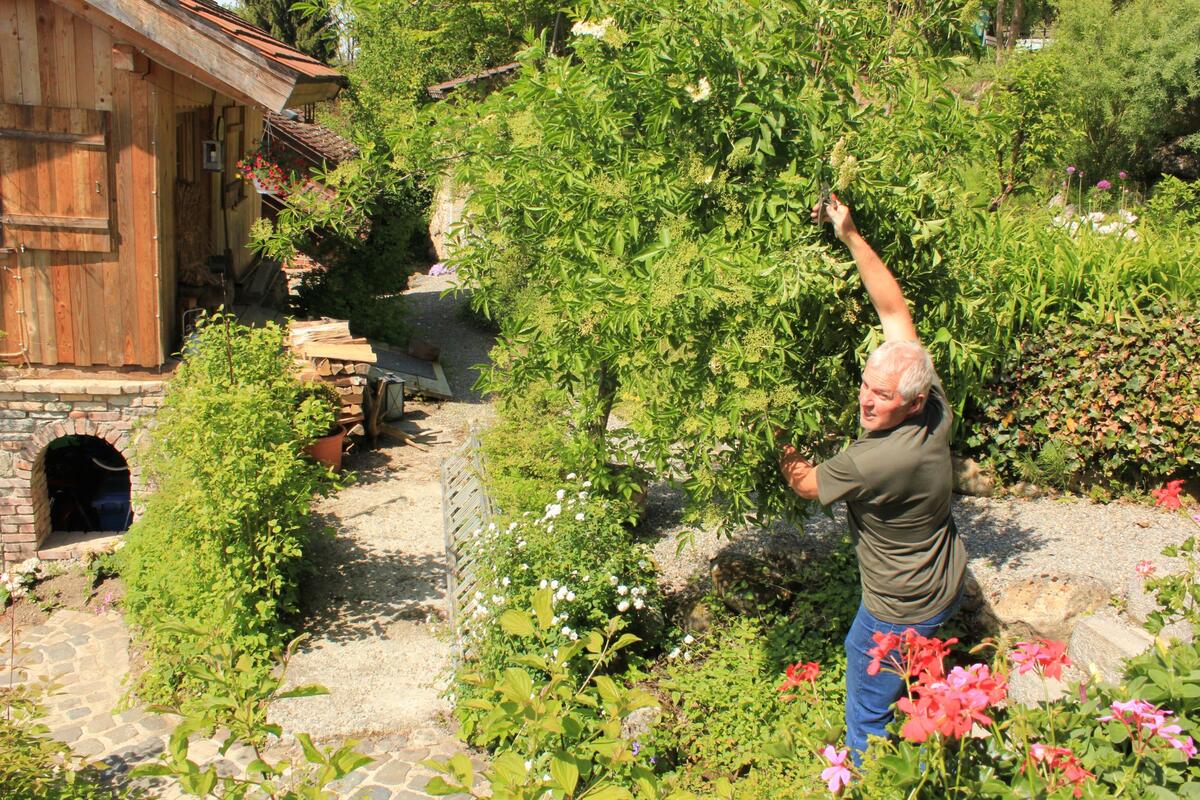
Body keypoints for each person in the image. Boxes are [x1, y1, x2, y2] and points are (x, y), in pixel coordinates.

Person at [778, 193, 967, 765]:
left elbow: (807, 485)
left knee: (866, 695)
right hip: (942, 582)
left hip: (896, 606)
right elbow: (894, 313)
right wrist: (851, 234)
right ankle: (931, 739)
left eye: (880, 396)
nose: (866, 399)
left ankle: (867, 772)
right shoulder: (932, 405)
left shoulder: (875, 460)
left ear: (909, 404)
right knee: (914, 678)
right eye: (866, 383)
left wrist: (775, 436)